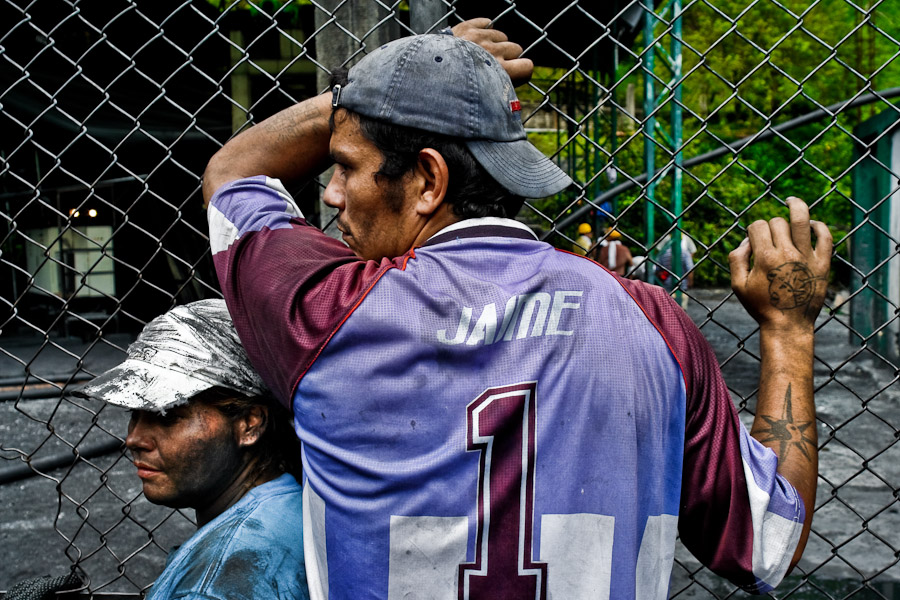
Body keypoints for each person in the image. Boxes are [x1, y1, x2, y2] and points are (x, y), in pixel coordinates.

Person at [202, 18, 831, 599]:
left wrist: (386, 85)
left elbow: (236, 168)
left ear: (428, 181)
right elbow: (767, 544)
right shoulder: (651, 320)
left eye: (345, 165)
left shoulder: (325, 315)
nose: (333, 192)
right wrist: (788, 330)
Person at [73, 300, 309, 600]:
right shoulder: (289, 501)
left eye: (167, 415)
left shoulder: (214, 585)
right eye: (134, 413)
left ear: (250, 424)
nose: (133, 439)